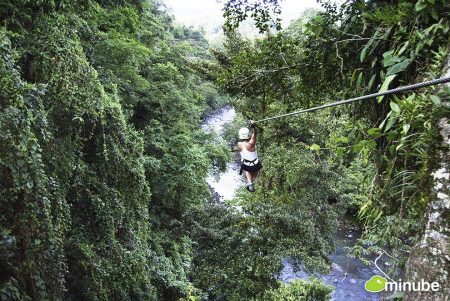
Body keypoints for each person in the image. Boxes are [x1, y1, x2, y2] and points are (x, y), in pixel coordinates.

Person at [237, 123, 262, 192]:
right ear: (248, 135)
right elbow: (255, 134)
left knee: (247, 170)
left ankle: (250, 183)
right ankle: (251, 182)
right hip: (255, 165)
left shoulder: (239, 144)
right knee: (255, 172)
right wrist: (254, 127)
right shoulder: (251, 144)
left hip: (246, 165)